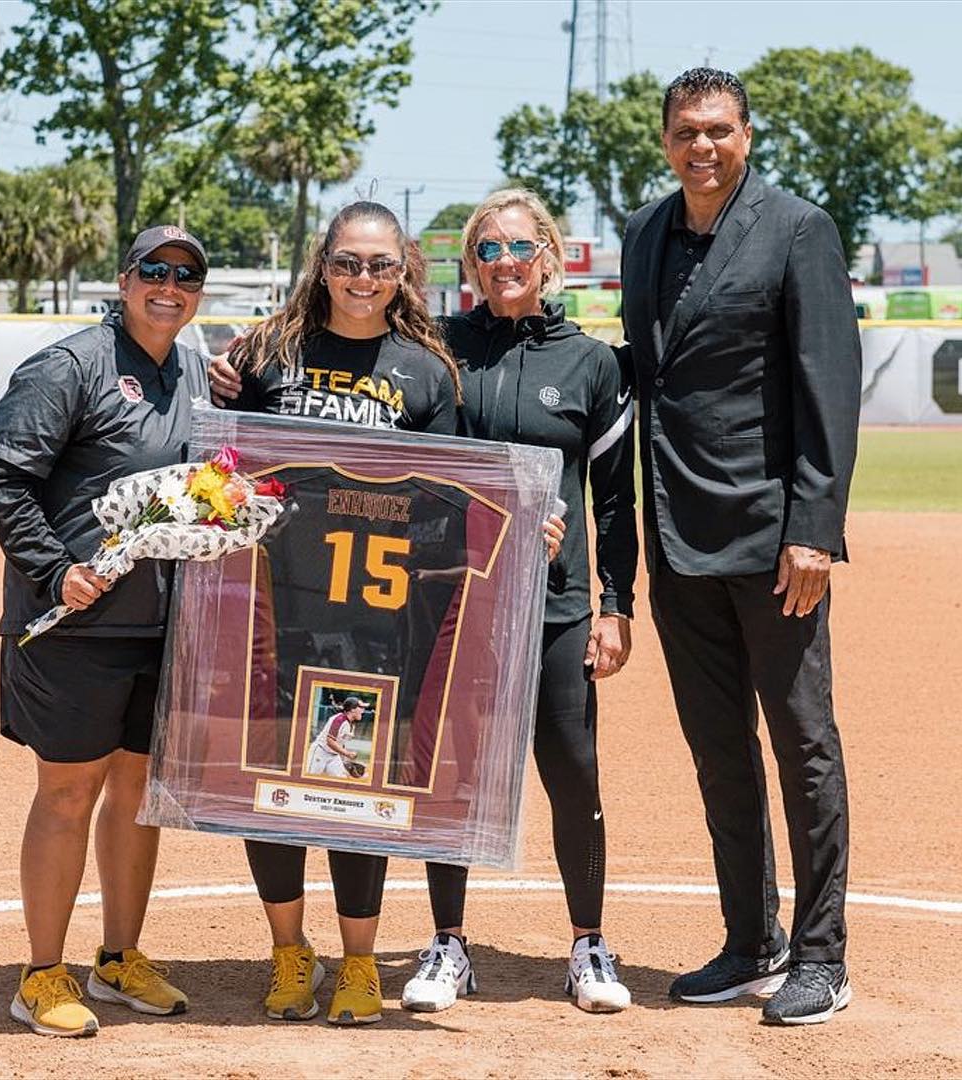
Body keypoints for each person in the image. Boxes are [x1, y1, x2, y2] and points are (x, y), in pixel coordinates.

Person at [619, 68, 862, 1025]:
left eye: (718, 131)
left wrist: (814, 530)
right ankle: (749, 940)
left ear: (747, 136)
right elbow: (645, 369)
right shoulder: (645, 231)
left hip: (772, 546)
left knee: (803, 745)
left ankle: (821, 956)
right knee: (718, 751)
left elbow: (827, 386)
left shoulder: (797, 229)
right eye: (685, 132)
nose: (701, 147)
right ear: (666, 139)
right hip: (675, 539)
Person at [212, 200, 467, 1026]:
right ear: (323, 264)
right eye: (348, 263)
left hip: (368, 619)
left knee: (350, 782)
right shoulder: (268, 354)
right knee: (270, 785)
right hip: (270, 606)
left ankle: (359, 964)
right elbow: (221, 462)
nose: (363, 279)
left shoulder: (424, 373)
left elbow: (449, 501)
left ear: (404, 273)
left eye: (381, 265)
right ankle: (290, 952)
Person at [383, 189, 636, 1015]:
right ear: (470, 266)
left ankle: (589, 946)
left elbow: (612, 503)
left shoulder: (591, 364)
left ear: (549, 257)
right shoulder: (440, 350)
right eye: (486, 251)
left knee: (572, 770)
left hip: (557, 606)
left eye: (518, 248)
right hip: (454, 599)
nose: (503, 264)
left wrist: (614, 603)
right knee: (447, 773)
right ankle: (449, 943)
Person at [0, 225, 211, 1037]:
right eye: (154, 270)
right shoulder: (70, 365)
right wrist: (54, 570)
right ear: (124, 278)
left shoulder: (192, 371)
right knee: (68, 790)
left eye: (185, 276)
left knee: (139, 792)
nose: (168, 286)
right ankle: (42, 975)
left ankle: (118, 959)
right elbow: (3, 474)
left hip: (160, 624)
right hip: (74, 624)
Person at [306, 698, 365, 779]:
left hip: (334, 756)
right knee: (310, 778)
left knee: (341, 779)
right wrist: (347, 753)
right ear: (352, 709)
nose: (363, 710)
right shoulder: (339, 720)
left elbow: (341, 742)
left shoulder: (351, 724)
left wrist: (343, 759)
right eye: (361, 707)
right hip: (320, 751)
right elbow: (330, 741)